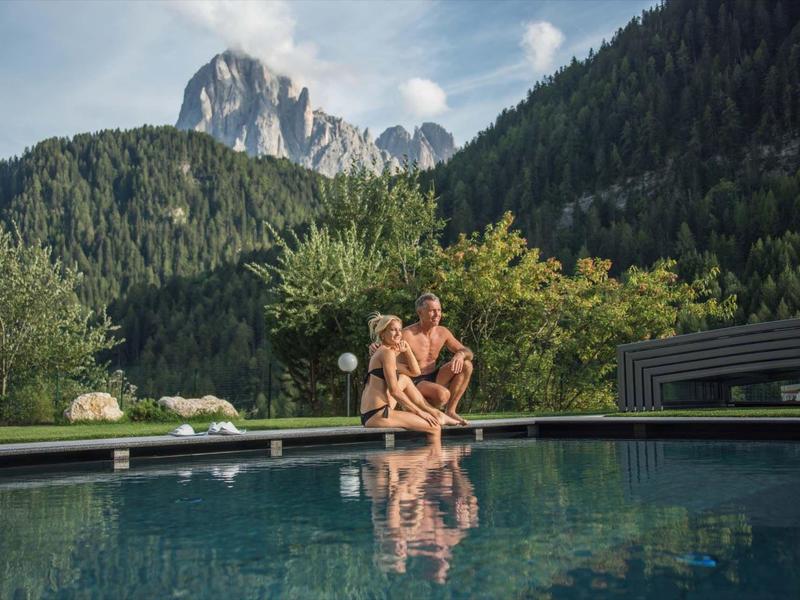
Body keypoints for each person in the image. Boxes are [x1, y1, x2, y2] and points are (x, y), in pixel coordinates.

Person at [360, 313, 441, 442]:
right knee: (435, 427)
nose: (398, 333)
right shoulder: (386, 353)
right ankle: (432, 460)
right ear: (382, 334)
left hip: (371, 413)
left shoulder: (385, 352)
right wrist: (419, 412)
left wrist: (407, 350)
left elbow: (415, 372)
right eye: (393, 330)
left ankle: (424, 459)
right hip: (378, 414)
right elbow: (395, 391)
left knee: (404, 378)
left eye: (399, 330)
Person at [403, 293, 473, 426]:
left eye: (439, 310)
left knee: (467, 365)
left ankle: (450, 411)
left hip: (433, 376)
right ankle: (418, 409)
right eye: (432, 311)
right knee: (443, 395)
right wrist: (375, 346)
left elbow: (468, 351)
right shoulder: (407, 334)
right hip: (414, 381)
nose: (437, 314)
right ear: (420, 312)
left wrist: (460, 355)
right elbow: (386, 349)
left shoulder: (443, 332)